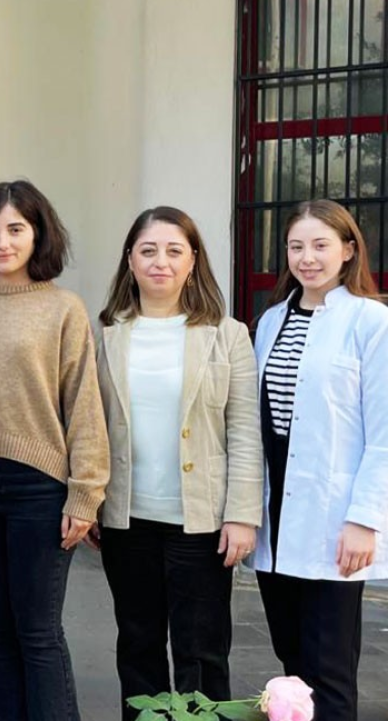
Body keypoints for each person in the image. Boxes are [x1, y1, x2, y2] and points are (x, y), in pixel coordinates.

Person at [0, 179, 108, 721]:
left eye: (16, 229)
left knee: (38, 631)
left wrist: (86, 494)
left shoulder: (64, 308)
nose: (3, 242)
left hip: (40, 486)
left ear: (38, 234)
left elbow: (84, 403)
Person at [94, 207, 262, 718]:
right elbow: (87, 424)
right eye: (148, 251)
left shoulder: (227, 334)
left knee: (202, 653)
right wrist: (88, 500)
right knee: (138, 647)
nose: (160, 262)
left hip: (202, 522)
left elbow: (244, 430)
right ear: (130, 260)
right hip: (127, 520)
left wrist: (242, 515)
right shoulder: (104, 333)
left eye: (173, 251)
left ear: (193, 261)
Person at [252, 199, 388, 721]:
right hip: (277, 517)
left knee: (329, 670)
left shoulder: (370, 321)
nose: (307, 258)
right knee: (293, 666)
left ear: (349, 250)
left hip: (336, 519)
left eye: (320, 245)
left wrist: (364, 519)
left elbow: (383, 432)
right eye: (296, 246)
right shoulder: (271, 322)